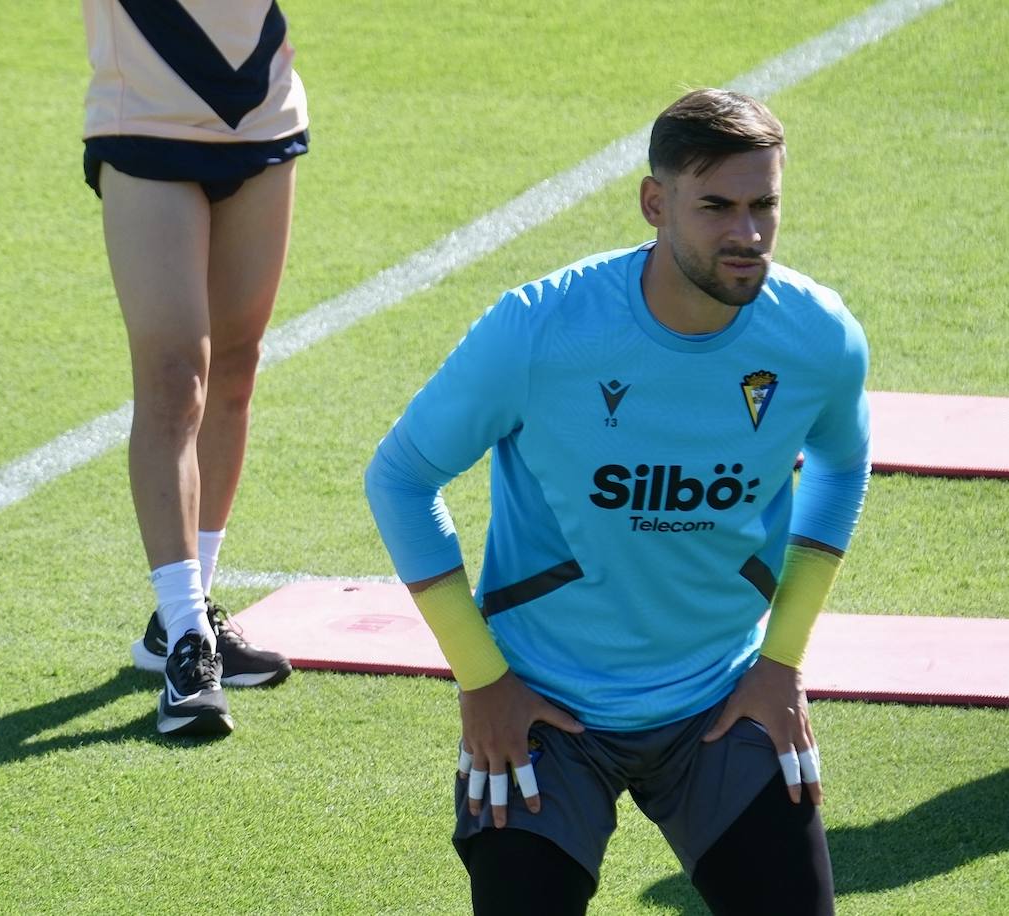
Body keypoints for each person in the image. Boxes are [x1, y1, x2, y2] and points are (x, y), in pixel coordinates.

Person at [366, 88, 869, 915]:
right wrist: (480, 678)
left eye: (763, 205)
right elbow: (400, 476)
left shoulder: (817, 337)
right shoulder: (542, 328)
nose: (746, 234)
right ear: (654, 202)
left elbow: (844, 468)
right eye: (716, 207)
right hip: (541, 710)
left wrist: (781, 660)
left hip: (721, 695)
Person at [80, 0, 308, 736]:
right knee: (175, 374)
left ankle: (187, 613)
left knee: (236, 366)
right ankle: (186, 642)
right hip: (144, 117)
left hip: (263, 111)